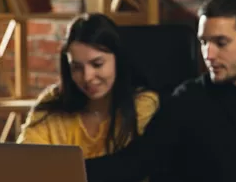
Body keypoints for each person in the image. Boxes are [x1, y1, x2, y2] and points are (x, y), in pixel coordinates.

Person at [85, 0, 236, 182]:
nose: (208, 54)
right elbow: (134, 163)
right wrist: (67, 173)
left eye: (221, 42)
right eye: (203, 42)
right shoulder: (190, 98)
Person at [17, 13, 159, 159]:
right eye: (76, 67)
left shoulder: (142, 104)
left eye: (97, 64)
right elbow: (25, 160)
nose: (87, 77)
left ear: (118, 59)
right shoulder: (53, 101)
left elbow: (132, 167)